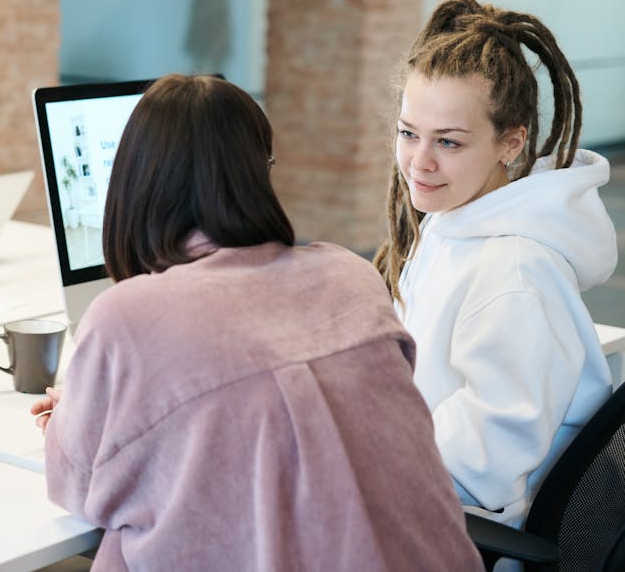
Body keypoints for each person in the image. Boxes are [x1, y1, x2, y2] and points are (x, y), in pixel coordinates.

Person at [30, 74, 480, 570]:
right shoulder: (350, 274)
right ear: (258, 173)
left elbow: (75, 485)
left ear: (133, 184)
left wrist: (68, 419)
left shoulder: (126, 317)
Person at [372, 0, 615, 527]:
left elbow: (483, 463)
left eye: (449, 143)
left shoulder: (516, 272)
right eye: (408, 133)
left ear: (511, 143)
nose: (420, 162)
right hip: (427, 484)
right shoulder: (457, 217)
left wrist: (362, 464)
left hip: (460, 524)